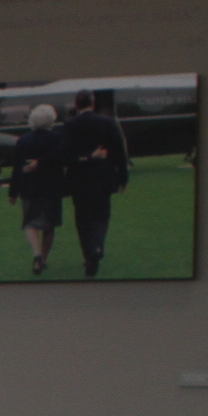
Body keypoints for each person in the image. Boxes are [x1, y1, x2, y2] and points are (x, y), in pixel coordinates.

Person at [59, 90, 129, 277]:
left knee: (82, 218)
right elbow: (119, 151)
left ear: (76, 104)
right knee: (101, 216)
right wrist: (123, 176)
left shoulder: (70, 125)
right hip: (103, 178)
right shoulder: (108, 123)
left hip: (79, 179)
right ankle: (97, 247)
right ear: (93, 102)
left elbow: (65, 154)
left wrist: (82, 159)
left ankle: (88, 253)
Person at [8, 104, 64, 274]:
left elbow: (17, 168)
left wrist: (13, 192)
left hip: (29, 187)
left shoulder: (23, 141)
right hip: (52, 187)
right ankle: (44, 259)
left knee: (30, 223)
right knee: (49, 225)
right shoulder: (58, 139)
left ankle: (36, 254)